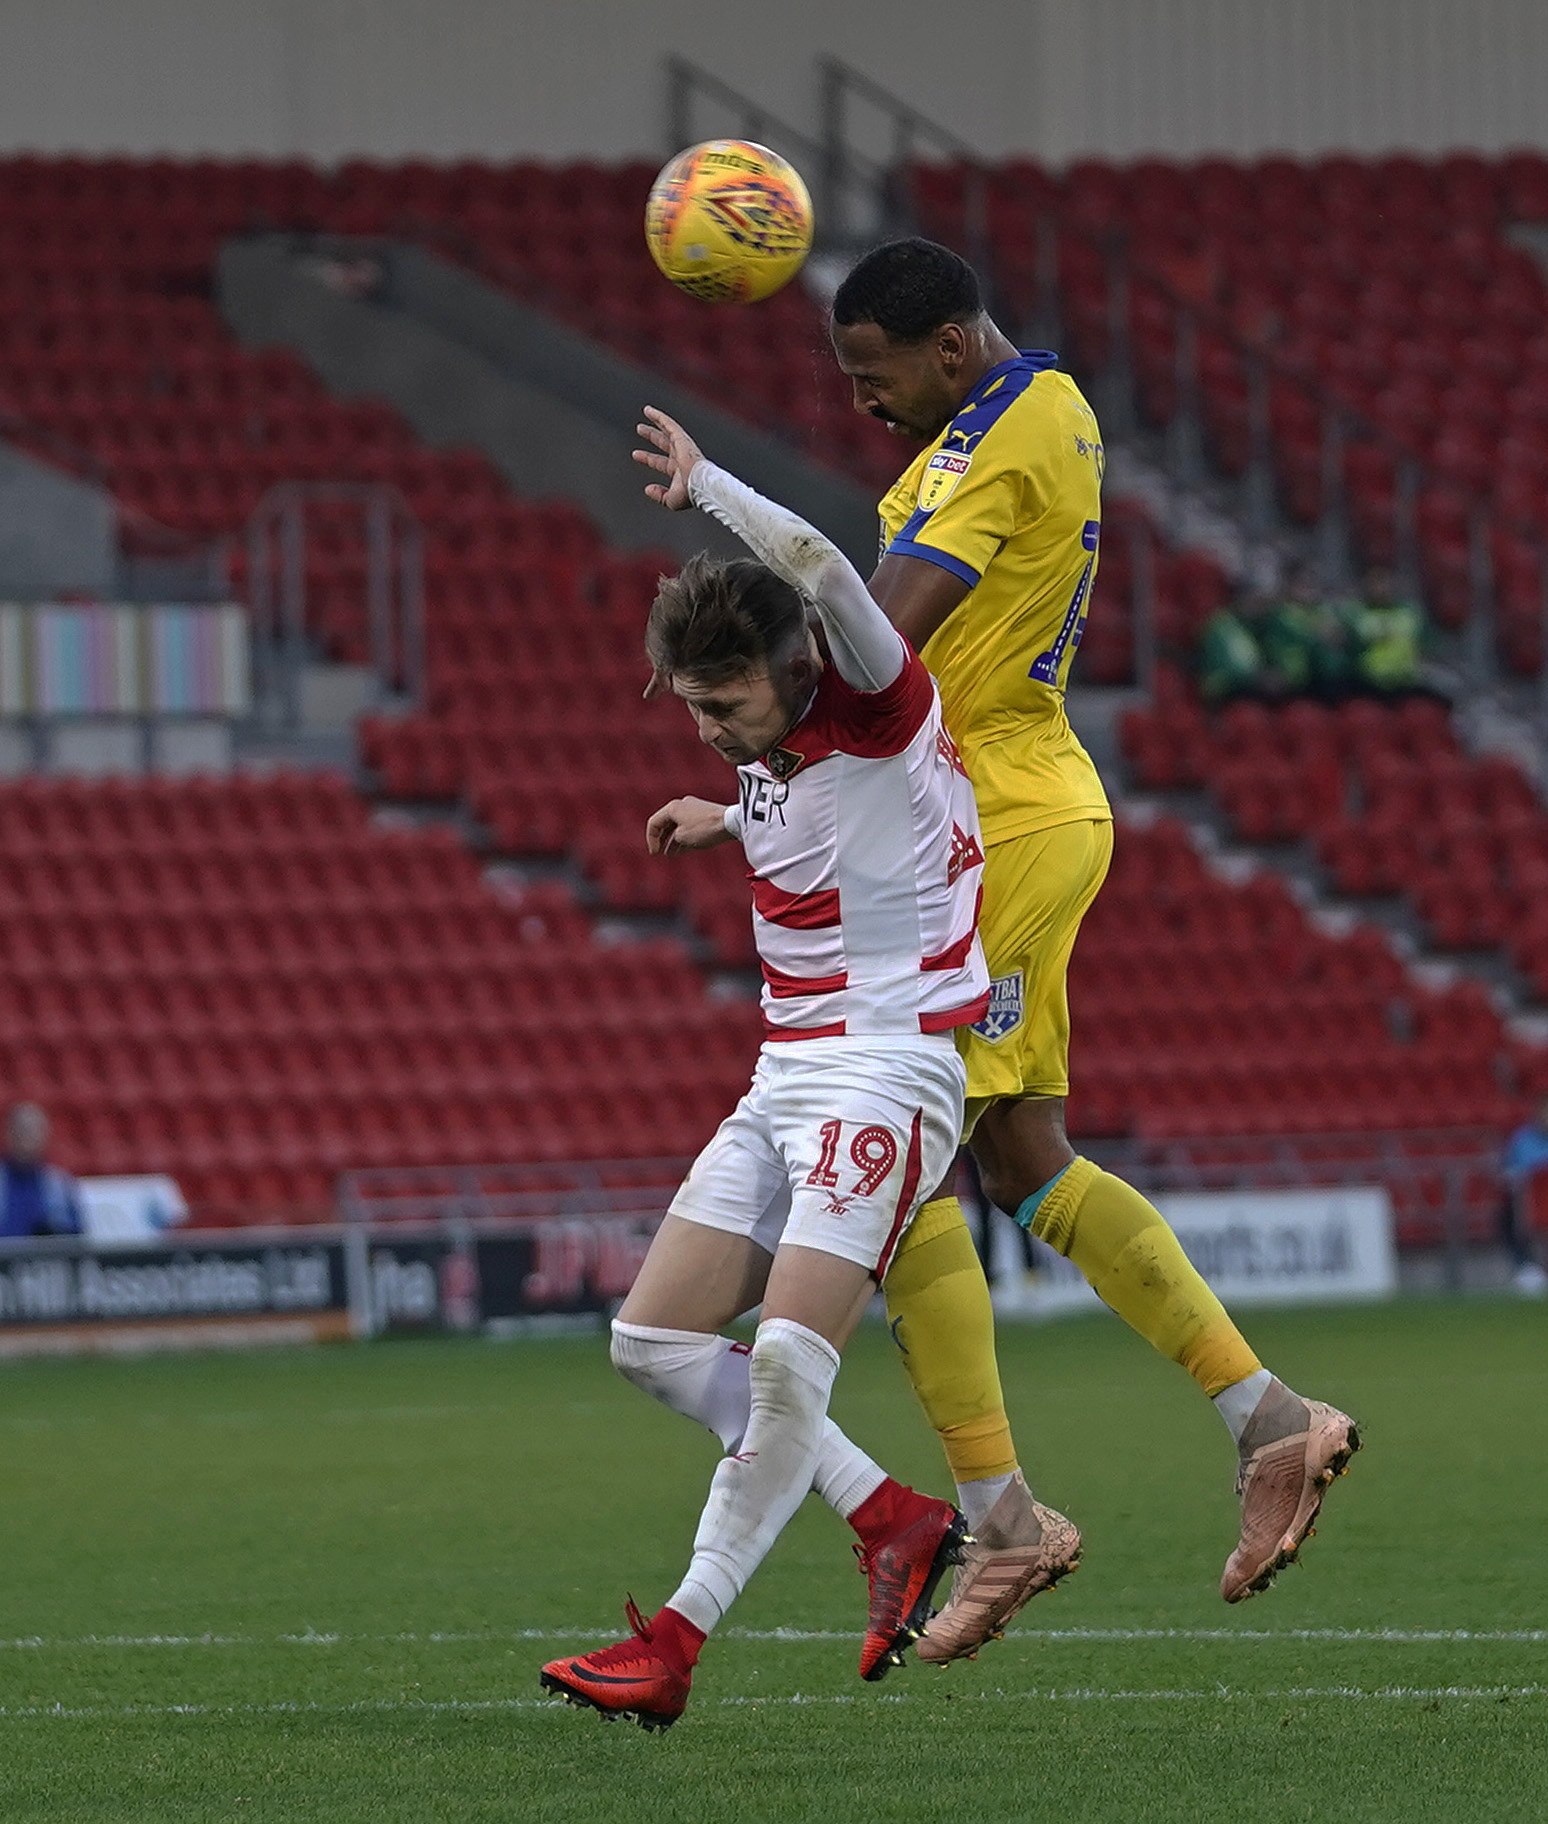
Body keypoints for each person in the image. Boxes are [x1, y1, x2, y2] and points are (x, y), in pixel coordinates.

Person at [825, 238, 1360, 1660]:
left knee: (900, 1172)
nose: (867, 405)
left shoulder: (1002, 431)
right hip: (1006, 807)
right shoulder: (1023, 414)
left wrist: (763, 729)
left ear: (949, 347)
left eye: (877, 376)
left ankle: (1001, 1520)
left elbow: (882, 635)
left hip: (995, 824)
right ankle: (1269, 1419)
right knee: (1021, 1161)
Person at [541, 408, 995, 1729]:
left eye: (727, 705)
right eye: (693, 709)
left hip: (888, 1073)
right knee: (650, 1342)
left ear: (796, 667)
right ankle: (892, 1516)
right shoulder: (768, 761)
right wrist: (720, 814)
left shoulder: (878, 702)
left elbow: (822, 567)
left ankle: (676, 1642)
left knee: (791, 1364)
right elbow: (807, 816)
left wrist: (708, 489)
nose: (710, 731)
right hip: (785, 1076)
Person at [0, 1102, 83, 1239]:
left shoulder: (60, 1186)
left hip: (49, 1254)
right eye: (21, 1131)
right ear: (7, 1134)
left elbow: (75, 1238)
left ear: (45, 1135)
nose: (26, 1139)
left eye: (32, 1131)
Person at [1501, 1097, 1548, 1297]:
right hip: (1530, 1201)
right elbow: (1510, 1173)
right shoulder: (1522, 1139)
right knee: (1505, 1214)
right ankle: (1525, 1266)